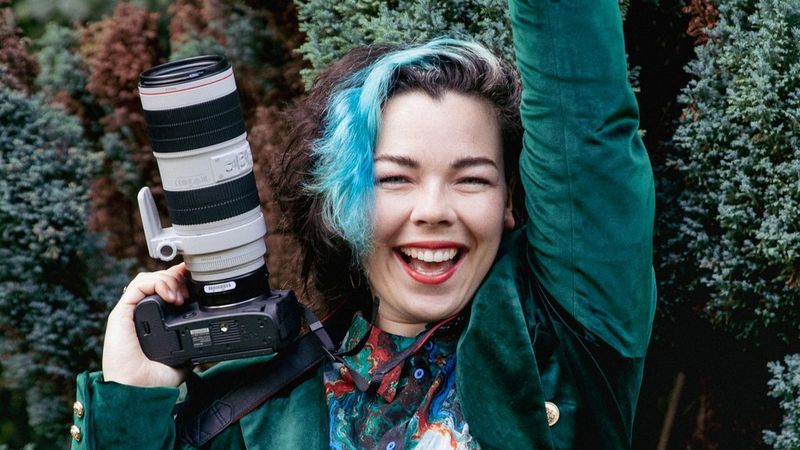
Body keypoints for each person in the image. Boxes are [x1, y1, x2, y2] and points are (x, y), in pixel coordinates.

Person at [70, 0, 655, 448]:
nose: (433, 209)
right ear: (341, 201)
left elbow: (586, 124)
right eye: (393, 178)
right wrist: (133, 398)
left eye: (472, 178)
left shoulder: (563, 338)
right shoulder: (251, 409)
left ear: (510, 199)